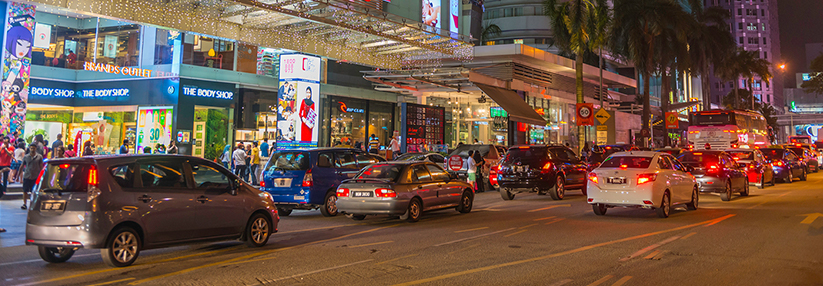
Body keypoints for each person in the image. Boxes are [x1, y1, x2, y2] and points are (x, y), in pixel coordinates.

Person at [21, 144, 43, 210]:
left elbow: (41, 167)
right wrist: (18, 175)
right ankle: (24, 204)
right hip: (27, 175)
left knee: (34, 191)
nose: (32, 149)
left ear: (36, 148)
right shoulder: (26, 156)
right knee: (25, 191)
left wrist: (41, 176)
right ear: (29, 148)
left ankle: (32, 203)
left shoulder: (39, 157)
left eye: (33, 148)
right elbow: (22, 165)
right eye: (31, 148)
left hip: (35, 176)